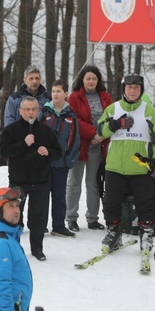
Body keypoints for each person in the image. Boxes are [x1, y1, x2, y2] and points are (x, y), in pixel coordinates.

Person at [96, 73, 155, 260]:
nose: (132, 90)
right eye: (129, 87)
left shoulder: (150, 111)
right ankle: (114, 233)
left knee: (145, 203)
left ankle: (146, 234)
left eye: (136, 87)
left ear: (141, 90)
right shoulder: (113, 108)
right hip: (115, 167)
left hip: (140, 167)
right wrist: (116, 124)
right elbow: (100, 131)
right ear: (123, 89)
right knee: (111, 202)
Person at [0, 96, 62, 260]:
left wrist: (48, 152)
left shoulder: (45, 130)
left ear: (38, 111)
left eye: (34, 109)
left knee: (38, 218)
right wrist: (23, 144)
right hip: (18, 181)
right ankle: (14, 249)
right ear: (20, 111)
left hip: (40, 180)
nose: (31, 112)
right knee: (15, 217)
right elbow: (4, 152)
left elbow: (57, 151)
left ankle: (37, 249)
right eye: (27, 109)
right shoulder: (11, 130)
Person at [65, 65, 113, 232]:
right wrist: (94, 133)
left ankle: (93, 218)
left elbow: (112, 119)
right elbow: (74, 120)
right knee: (74, 183)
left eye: (93, 78)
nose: (91, 81)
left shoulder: (106, 97)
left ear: (98, 80)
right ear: (82, 80)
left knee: (93, 184)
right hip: (79, 146)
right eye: (88, 78)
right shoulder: (74, 97)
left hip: (98, 148)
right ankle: (71, 218)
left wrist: (101, 136)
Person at [40, 80, 80, 238]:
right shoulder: (44, 112)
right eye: (53, 91)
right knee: (43, 195)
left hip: (61, 163)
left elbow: (75, 138)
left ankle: (58, 226)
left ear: (66, 94)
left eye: (59, 91)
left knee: (59, 195)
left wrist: (70, 158)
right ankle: (40, 225)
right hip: (45, 163)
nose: (55, 94)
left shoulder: (70, 115)